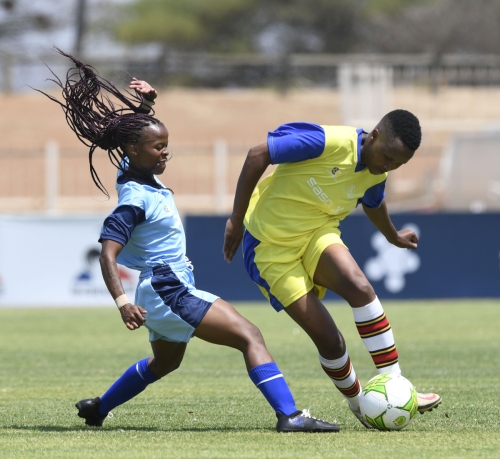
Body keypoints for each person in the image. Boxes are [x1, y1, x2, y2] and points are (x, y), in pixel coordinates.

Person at [37, 49, 340, 433]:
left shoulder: (135, 173)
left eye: (166, 144)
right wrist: (122, 303)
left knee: (165, 363)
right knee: (250, 335)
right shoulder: (134, 199)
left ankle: (98, 409)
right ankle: (290, 416)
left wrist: (147, 106)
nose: (166, 151)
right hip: (167, 286)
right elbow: (107, 254)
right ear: (134, 152)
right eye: (158, 147)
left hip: (164, 287)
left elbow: (136, 137)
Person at [223, 112, 442, 427]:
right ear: (375, 134)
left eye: (398, 164)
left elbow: (373, 201)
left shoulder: (377, 171)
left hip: (317, 232)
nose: (389, 167)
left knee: (361, 287)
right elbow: (258, 154)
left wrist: (393, 236)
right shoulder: (327, 141)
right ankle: (361, 407)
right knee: (331, 341)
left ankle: (396, 383)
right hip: (270, 248)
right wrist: (235, 219)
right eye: (388, 157)